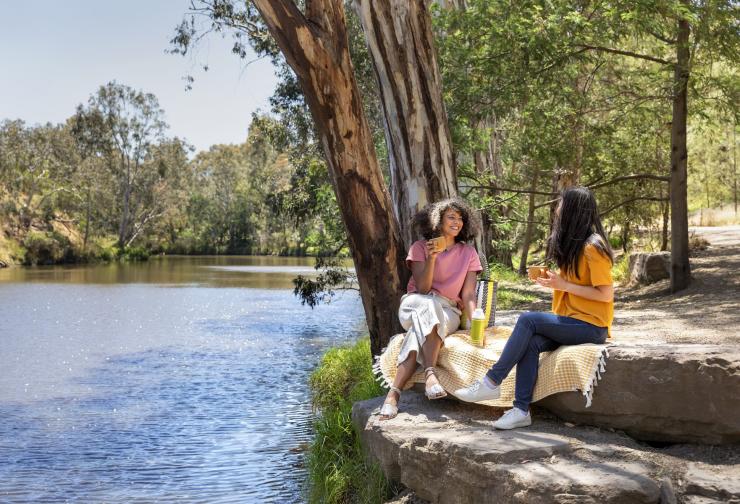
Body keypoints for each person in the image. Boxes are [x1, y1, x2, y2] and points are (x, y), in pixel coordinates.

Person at [454, 186, 614, 429]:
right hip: (573, 321)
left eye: (561, 202)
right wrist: (554, 281)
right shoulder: (574, 245)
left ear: (573, 209)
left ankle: (491, 381)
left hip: (592, 326)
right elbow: (575, 285)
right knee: (531, 342)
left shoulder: (593, 246)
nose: (557, 206)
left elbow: (606, 295)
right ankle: (520, 410)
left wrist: (564, 285)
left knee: (527, 320)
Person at [379, 198, 482, 420]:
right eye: (451, 217)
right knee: (429, 304)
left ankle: (393, 393)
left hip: (449, 311)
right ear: (438, 221)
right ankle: (430, 373)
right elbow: (424, 289)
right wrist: (432, 258)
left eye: (460, 218)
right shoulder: (419, 248)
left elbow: (468, 294)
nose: (457, 222)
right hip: (415, 303)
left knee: (419, 330)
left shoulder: (468, 253)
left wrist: (474, 320)